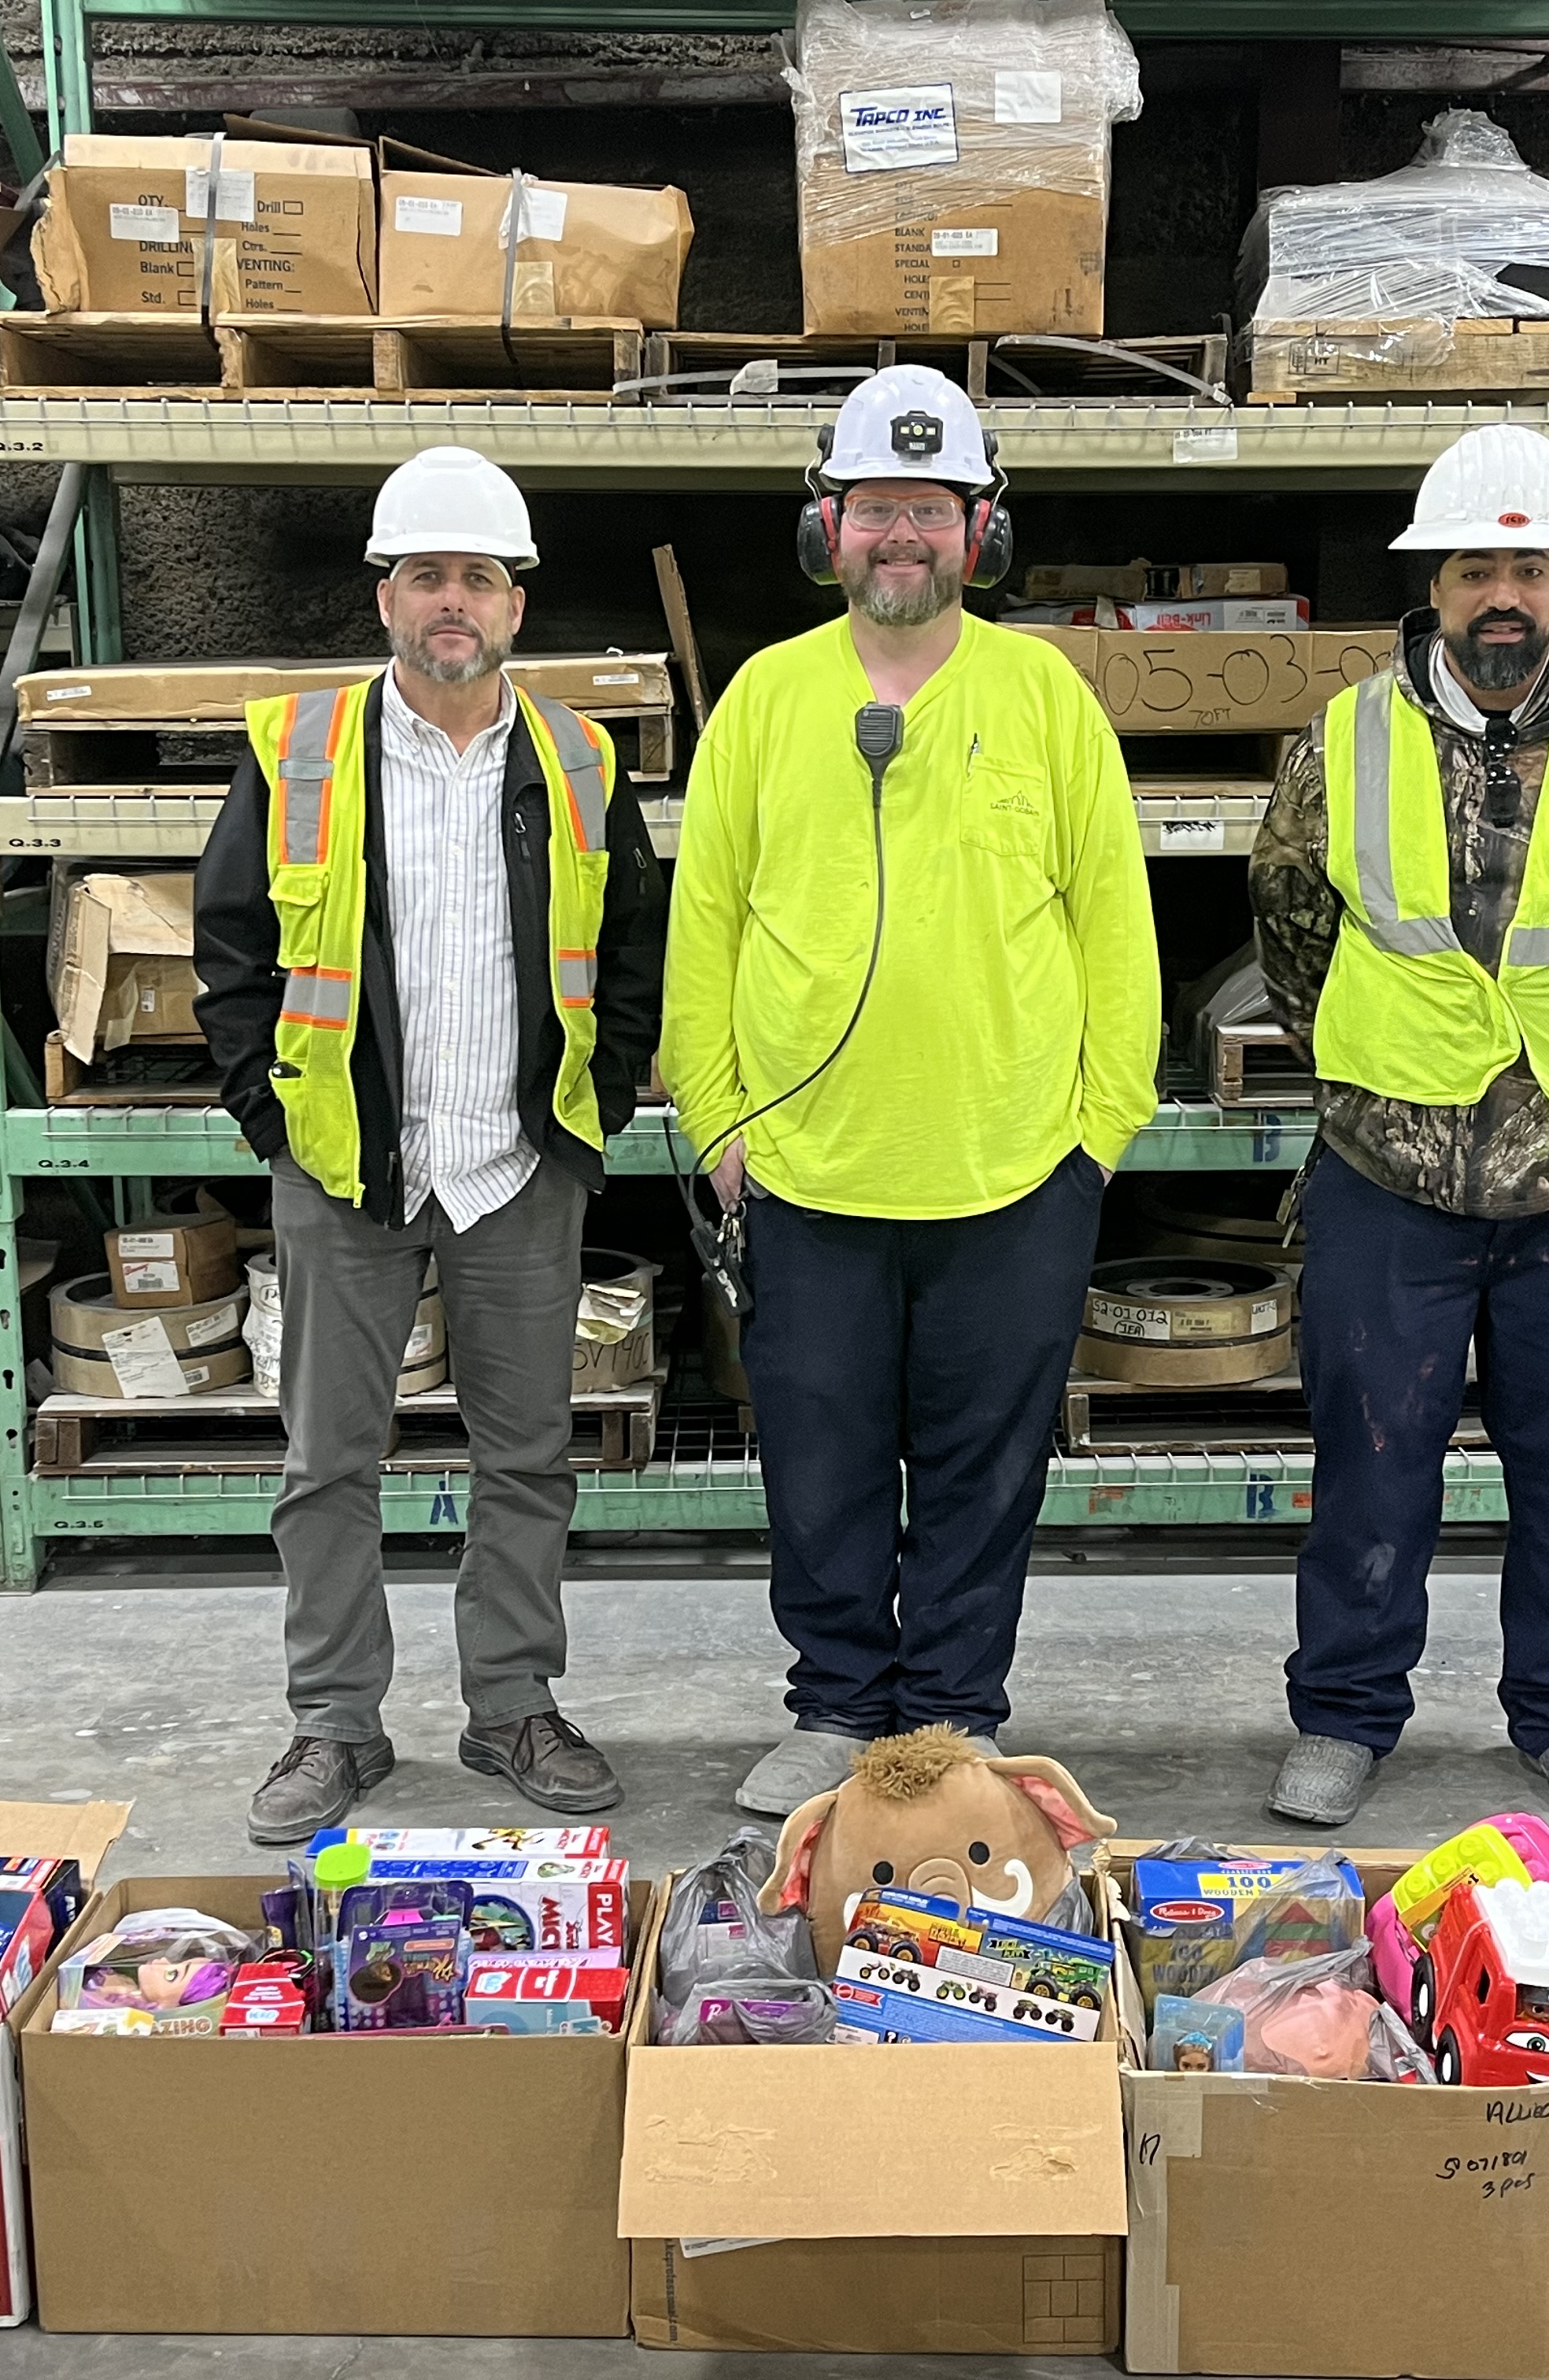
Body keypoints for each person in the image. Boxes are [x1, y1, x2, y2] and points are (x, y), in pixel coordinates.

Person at [660, 367, 1159, 1817]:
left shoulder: (1044, 697)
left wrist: (1096, 1136)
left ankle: (949, 1714)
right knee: (817, 1456)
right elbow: (709, 921)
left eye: (932, 510)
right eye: (877, 506)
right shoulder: (768, 699)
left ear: (979, 531)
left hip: (1014, 1168)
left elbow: (1115, 927)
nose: (903, 536)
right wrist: (722, 1123)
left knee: (981, 1465)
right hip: (809, 1169)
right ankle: (833, 1708)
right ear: (829, 524)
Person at [1248, 423, 1549, 1838]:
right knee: (1369, 1462)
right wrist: (1375, 1071)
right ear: (1435, 587)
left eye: (1527, 565)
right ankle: (1344, 1719)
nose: (1502, 595)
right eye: (1476, 569)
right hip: (1388, 1163)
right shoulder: (1344, 738)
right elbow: (1291, 928)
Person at [195, 444, 666, 1841]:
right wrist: (271, 1114)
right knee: (327, 1463)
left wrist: (600, 1111)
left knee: (527, 1455)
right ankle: (334, 1725)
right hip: (345, 1164)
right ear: (384, 598)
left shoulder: (579, 760)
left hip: (518, 1165)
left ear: (516, 604)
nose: (449, 601)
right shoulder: (298, 749)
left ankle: (511, 1703)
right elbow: (230, 947)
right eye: (423, 576)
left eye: (476, 576)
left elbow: (631, 947)